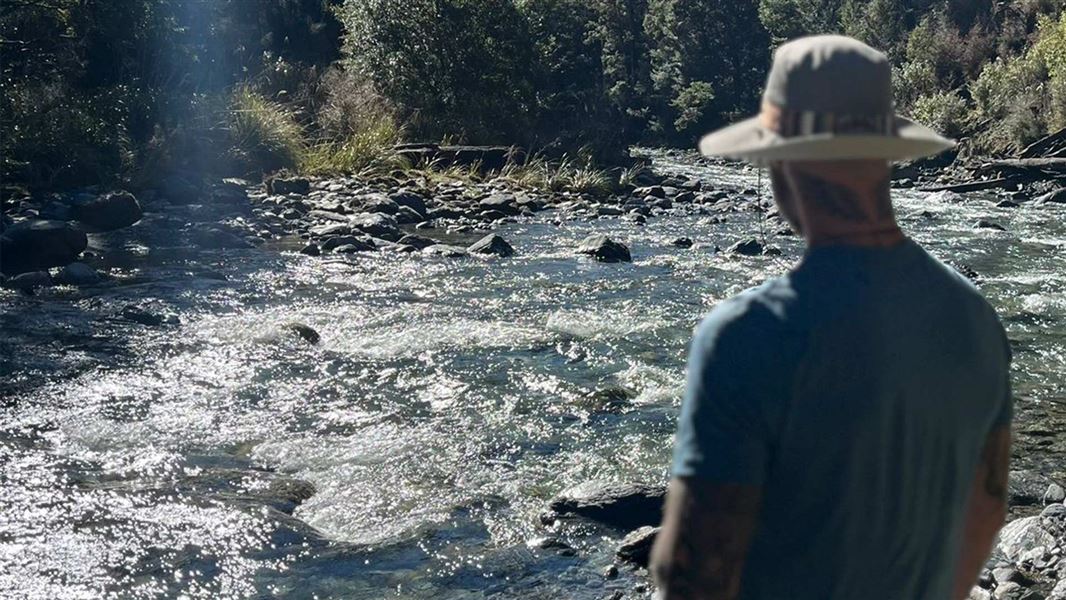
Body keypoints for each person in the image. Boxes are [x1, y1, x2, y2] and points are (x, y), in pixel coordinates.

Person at [649, 35, 1013, 600]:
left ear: (780, 159)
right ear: (884, 152)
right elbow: (988, 505)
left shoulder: (747, 336)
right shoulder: (975, 318)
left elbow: (697, 575)